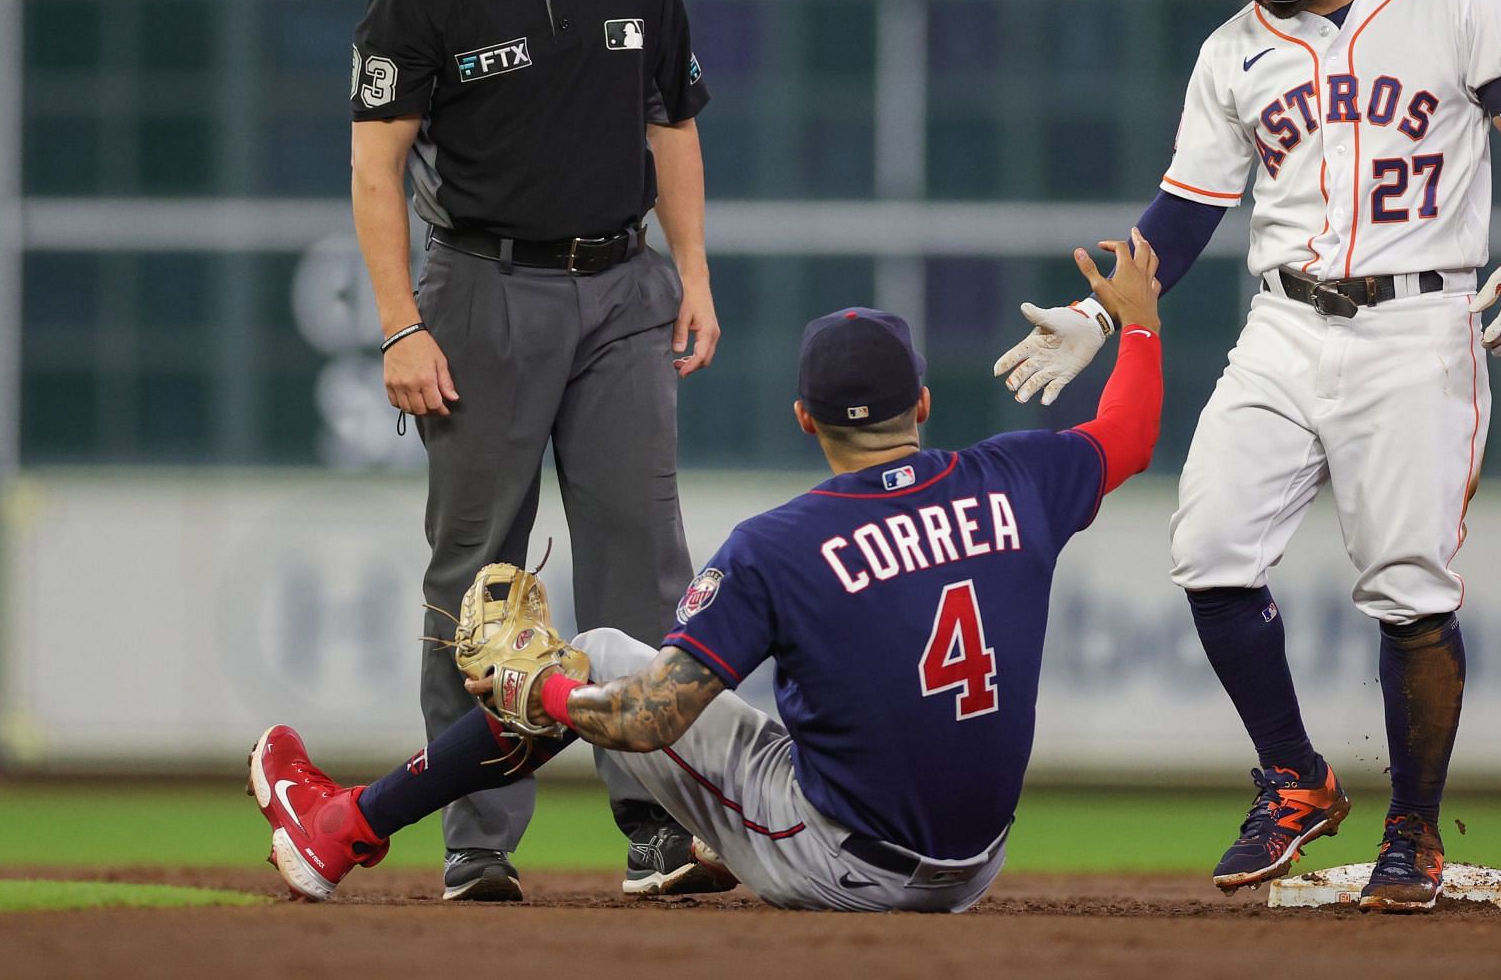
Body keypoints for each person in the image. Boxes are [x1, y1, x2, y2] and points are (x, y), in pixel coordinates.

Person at [992, 0, 1501, 912]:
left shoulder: (1452, 1)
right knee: (1208, 543)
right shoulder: (1231, 54)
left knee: (1407, 585)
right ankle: (1296, 777)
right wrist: (1096, 308)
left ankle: (1414, 828)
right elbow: (1185, 211)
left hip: (1419, 323)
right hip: (1284, 323)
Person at [249, 236, 1164, 911]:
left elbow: (647, 720)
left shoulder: (782, 544)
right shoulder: (1017, 476)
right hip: (979, 862)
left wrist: (549, 692)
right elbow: (1130, 432)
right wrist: (1139, 325)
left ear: (805, 420)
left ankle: (344, 829)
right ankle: (699, 836)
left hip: (847, 865)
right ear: (921, 403)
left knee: (603, 654)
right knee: (800, 723)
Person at [348, 0, 719, 901]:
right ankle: (477, 843)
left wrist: (694, 273)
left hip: (623, 286)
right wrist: (401, 325)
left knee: (642, 563)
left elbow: (672, 130)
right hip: (482, 290)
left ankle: (656, 826)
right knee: (480, 573)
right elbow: (375, 170)